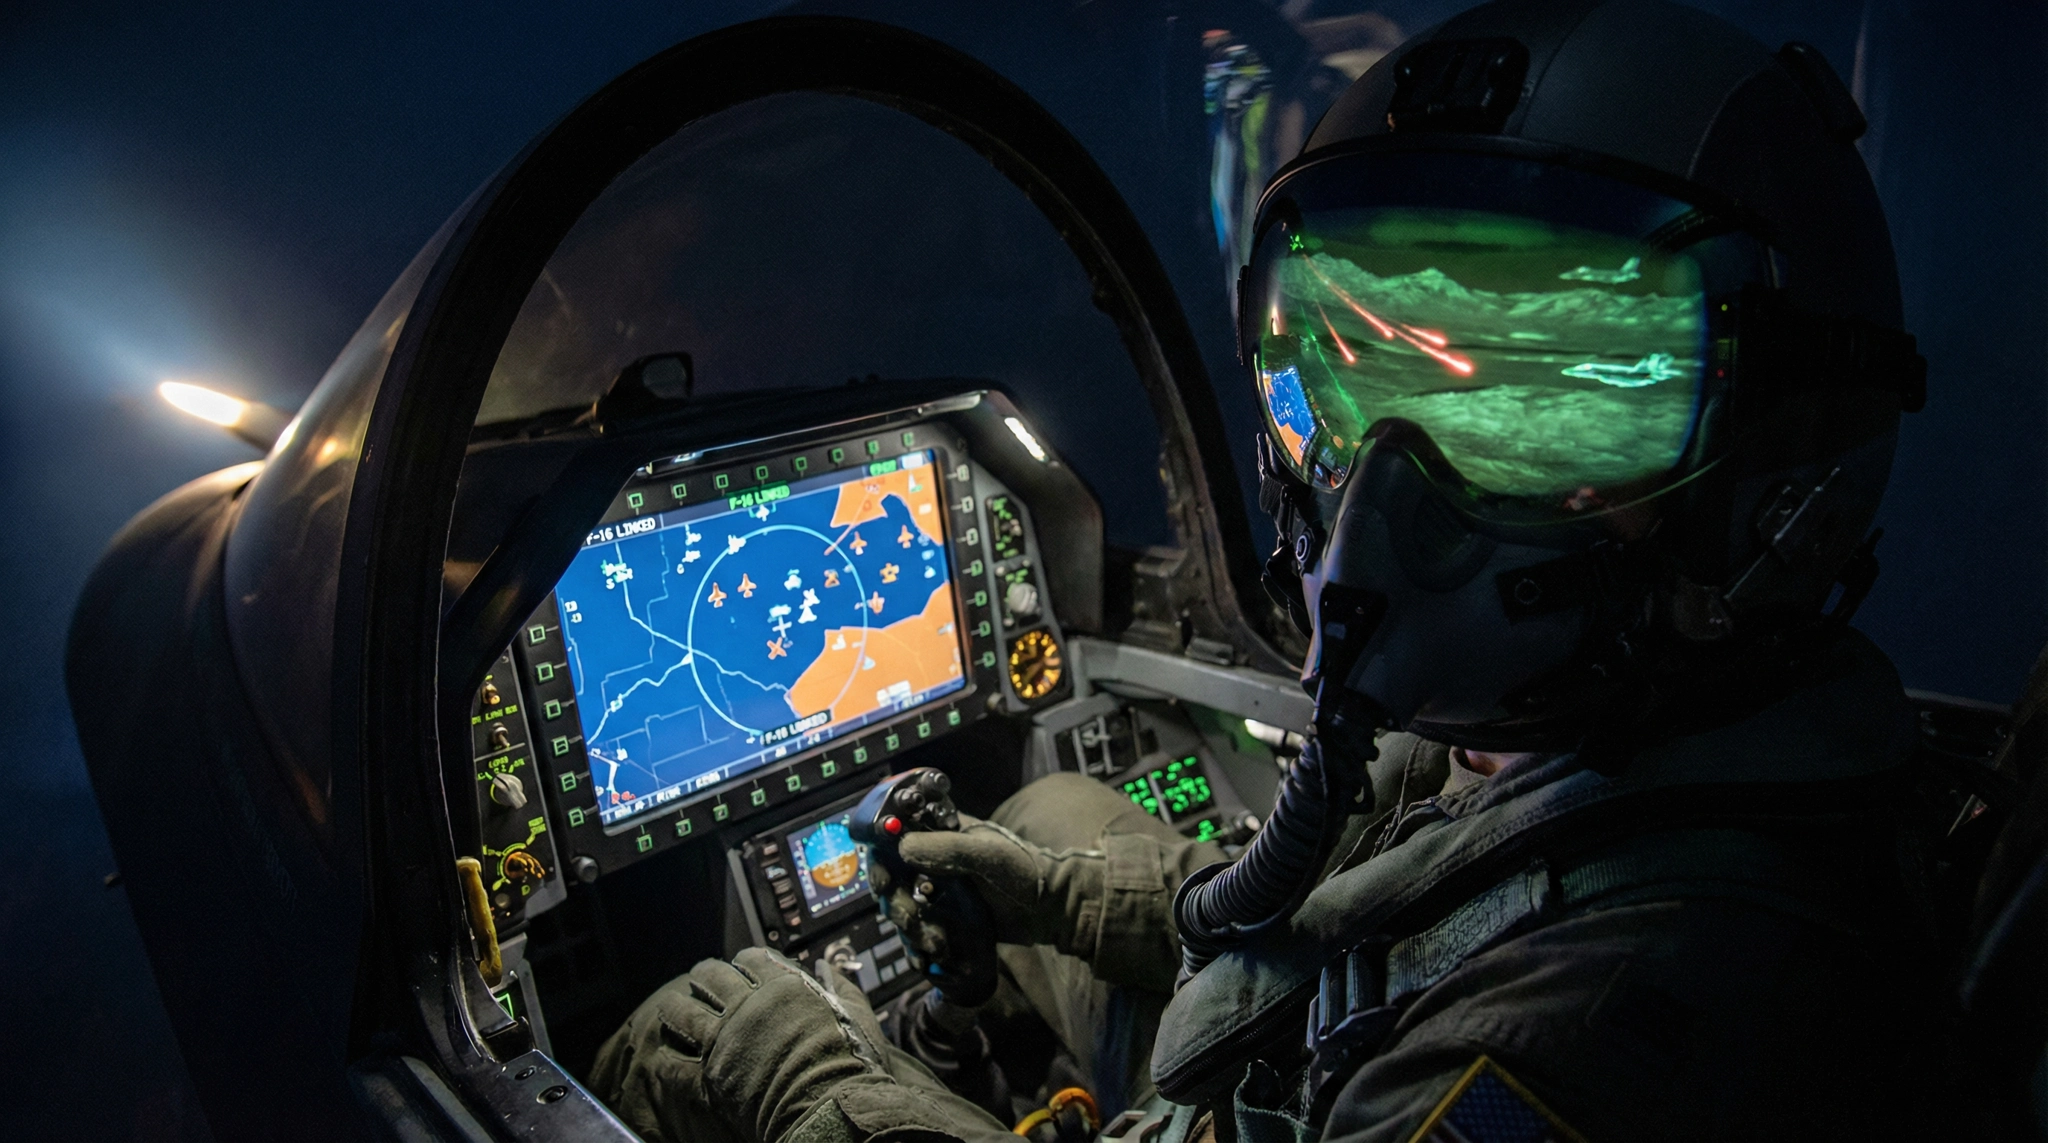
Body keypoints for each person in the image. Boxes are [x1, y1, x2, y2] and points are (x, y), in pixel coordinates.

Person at [591, 0, 1943, 1138]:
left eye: (1557, 401)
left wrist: (815, 1086)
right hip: (1286, 1032)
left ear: (1782, 480)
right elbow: (1361, 893)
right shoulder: (1568, 738)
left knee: (702, 1038)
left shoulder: (1592, 1035)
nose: (1388, 495)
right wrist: (1053, 894)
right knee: (1049, 810)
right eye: (1351, 372)